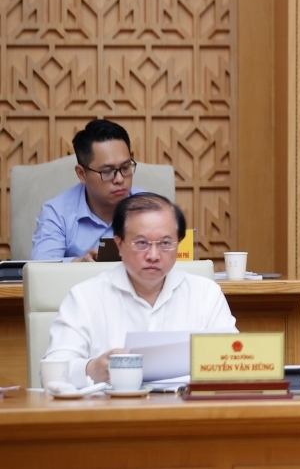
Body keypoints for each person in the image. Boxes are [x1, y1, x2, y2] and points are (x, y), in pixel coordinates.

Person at [43, 193, 236, 387]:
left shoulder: (206, 294)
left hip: (185, 405)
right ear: (119, 244)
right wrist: (92, 369)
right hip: (111, 405)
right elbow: (52, 373)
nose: (153, 255)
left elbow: (232, 362)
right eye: (142, 243)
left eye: (165, 243)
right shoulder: (85, 297)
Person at [30, 119, 145, 261]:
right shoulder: (57, 213)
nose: (120, 179)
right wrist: (77, 263)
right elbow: (42, 266)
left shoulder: (152, 208)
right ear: (82, 174)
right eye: (107, 171)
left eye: (125, 168)